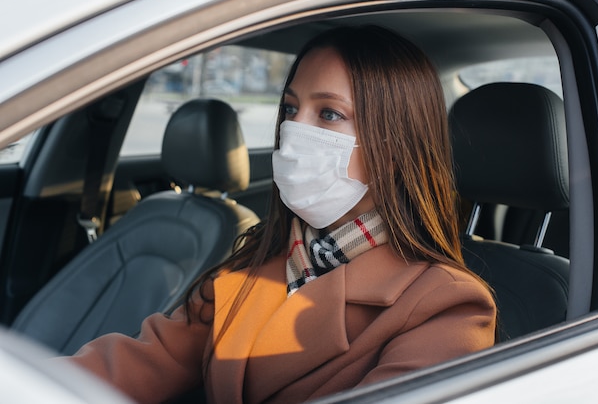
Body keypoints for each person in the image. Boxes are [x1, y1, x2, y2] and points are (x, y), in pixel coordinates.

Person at [66, 25, 496, 404]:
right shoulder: (260, 255)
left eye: (329, 114)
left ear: (395, 141)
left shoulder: (447, 304)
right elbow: (143, 359)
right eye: (290, 109)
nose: (292, 135)